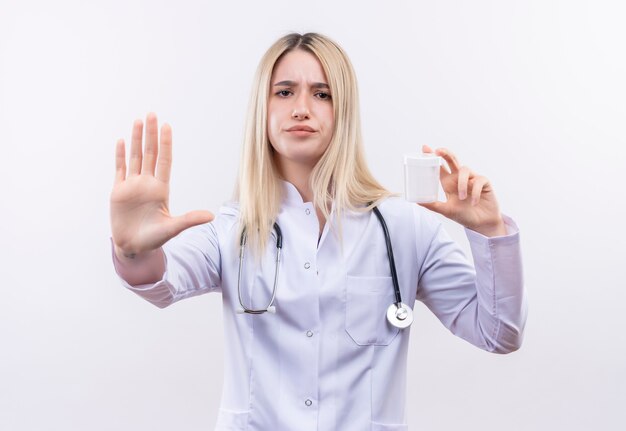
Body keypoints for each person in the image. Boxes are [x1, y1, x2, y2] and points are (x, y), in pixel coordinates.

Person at [110, 32, 527, 431]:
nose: (301, 108)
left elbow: (499, 334)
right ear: (263, 109)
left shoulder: (403, 228)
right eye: (284, 91)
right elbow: (161, 282)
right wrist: (131, 250)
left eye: (322, 94)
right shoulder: (231, 229)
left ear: (343, 111)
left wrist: (489, 230)